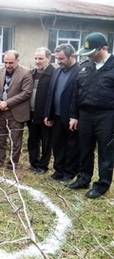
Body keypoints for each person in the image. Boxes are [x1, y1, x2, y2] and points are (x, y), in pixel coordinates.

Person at [68, 32, 114, 198]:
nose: (88, 55)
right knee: (85, 148)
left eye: (91, 52)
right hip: (85, 114)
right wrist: (74, 116)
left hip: (107, 115)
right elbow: (76, 93)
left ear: (104, 48)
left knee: (105, 151)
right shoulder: (86, 67)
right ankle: (83, 178)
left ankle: (102, 185)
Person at [0, 50, 33, 170]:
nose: (8, 65)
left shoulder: (26, 73)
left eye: (11, 63)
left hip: (16, 113)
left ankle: (12, 164)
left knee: (15, 140)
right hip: (0, 112)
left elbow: (26, 92)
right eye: (5, 62)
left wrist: (7, 103)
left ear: (17, 61)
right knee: (0, 138)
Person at [44, 44, 80, 182]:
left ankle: (69, 173)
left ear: (72, 56)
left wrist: (74, 116)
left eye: (61, 58)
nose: (58, 61)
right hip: (56, 116)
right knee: (57, 144)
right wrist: (48, 113)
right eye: (57, 58)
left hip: (71, 117)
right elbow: (50, 94)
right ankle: (58, 171)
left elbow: (78, 97)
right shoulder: (57, 71)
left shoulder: (79, 71)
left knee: (72, 146)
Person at [27, 47, 55, 174]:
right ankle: (34, 163)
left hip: (45, 114)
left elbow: (53, 96)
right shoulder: (31, 73)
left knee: (46, 141)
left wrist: (50, 114)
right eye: (36, 58)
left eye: (41, 58)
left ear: (48, 59)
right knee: (32, 139)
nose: (37, 61)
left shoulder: (54, 74)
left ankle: (43, 166)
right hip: (31, 113)